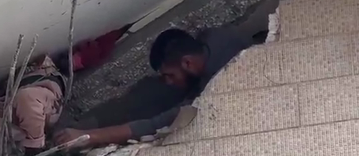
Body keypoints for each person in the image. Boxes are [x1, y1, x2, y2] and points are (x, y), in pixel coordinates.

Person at [53, 0, 277, 147]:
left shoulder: (212, 88)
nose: (169, 82)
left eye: (170, 74)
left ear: (187, 62)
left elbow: (151, 125)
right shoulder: (217, 37)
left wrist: (85, 137)